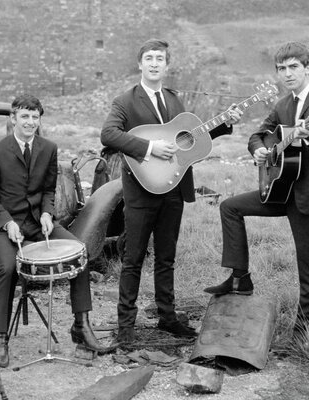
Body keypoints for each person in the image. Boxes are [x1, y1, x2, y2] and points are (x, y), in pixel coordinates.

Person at [100, 38, 242, 344]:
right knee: (133, 259)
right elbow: (108, 134)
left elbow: (190, 138)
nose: (154, 63)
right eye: (148, 58)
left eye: (159, 59)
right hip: (139, 192)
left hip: (174, 190)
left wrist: (225, 123)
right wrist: (150, 147)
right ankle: (126, 326)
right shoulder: (125, 101)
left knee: (166, 258)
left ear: (167, 65)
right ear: (140, 64)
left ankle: (167, 317)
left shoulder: (175, 101)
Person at [204, 41, 309, 339]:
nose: (287, 73)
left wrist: (306, 135)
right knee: (230, 207)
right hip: (280, 190)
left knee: (307, 266)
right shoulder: (282, 104)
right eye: (282, 68)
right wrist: (260, 151)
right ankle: (240, 278)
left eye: (294, 67)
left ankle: (302, 336)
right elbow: (258, 135)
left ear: (308, 68)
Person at [0, 94, 110, 368]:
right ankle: (0, 338)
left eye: (34, 117)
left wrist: (48, 213)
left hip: (38, 222)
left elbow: (48, 189)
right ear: (13, 119)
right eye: (24, 116)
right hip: (6, 224)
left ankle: (81, 326)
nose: (29, 122)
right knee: (7, 269)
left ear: (40, 121)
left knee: (79, 253)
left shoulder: (49, 148)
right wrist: (7, 222)